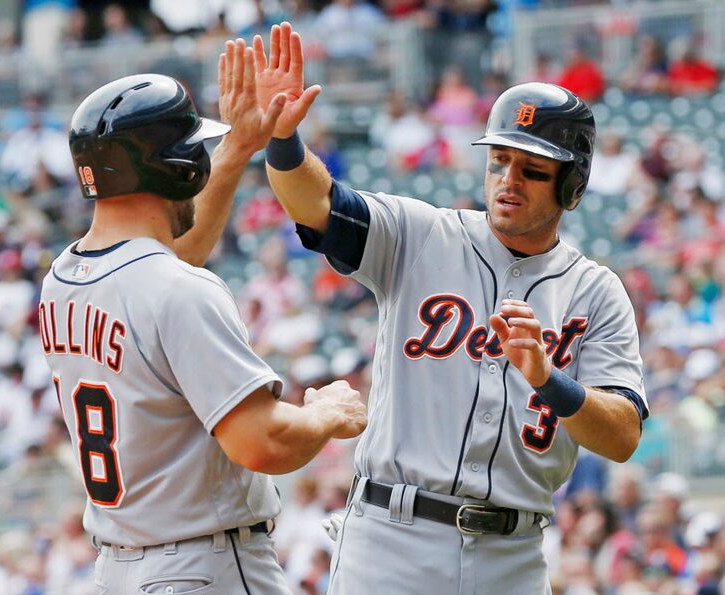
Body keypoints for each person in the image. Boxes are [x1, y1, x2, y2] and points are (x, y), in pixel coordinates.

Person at [244, 21, 648, 594]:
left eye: (533, 170)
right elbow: (315, 204)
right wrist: (283, 142)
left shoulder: (596, 291)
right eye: (499, 161)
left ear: (573, 189)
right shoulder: (420, 233)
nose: (509, 180)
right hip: (391, 539)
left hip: (512, 554)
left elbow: (623, 436)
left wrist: (549, 380)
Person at [39, 42, 367, 595]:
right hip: (201, 568)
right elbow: (262, 443)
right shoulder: (177, 290)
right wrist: (327, 414)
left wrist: (238, 146)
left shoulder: (62, 279)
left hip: (117, 570)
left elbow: (167, 265)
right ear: (178, 169)